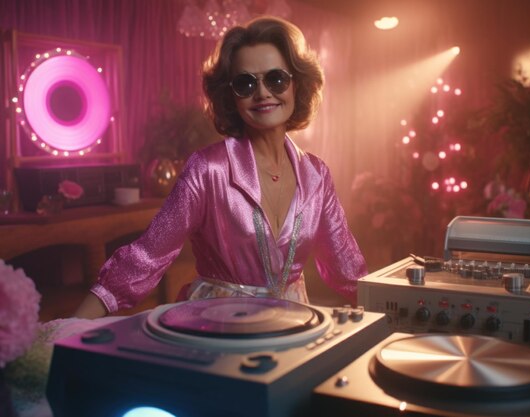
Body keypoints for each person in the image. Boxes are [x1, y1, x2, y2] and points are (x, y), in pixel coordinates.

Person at [74, 16, 367, 319]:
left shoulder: (317, 175)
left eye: (276, 78)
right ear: (230, 96)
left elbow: (347, 267)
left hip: (293, 329)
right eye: (245, 83)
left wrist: (399, 314)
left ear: (297, 85)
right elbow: (147, 256)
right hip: (217, 329)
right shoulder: (206, 170)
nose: (263, 92)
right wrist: (67, 331)